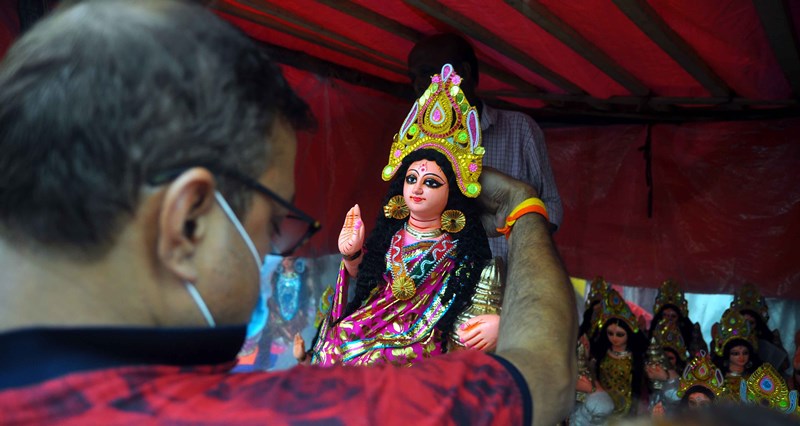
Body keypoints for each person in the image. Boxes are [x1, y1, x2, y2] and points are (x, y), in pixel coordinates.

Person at [0, 2, 577, 425]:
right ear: (188, 224)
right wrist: (518, 205)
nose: (272, 260)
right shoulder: (290, 412)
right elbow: (543, 377)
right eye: (271, 228)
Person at [295, 64, 502, 367]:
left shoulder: (457, 248)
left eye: (431, 182)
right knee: (335, 341)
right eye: (411, 179)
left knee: (369, 361)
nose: (418, 188)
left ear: (452, 193)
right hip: (373, 321)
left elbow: (465, 302)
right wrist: (351, 254)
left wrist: (499, 323)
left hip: (419, 335)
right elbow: (369, 278)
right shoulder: (392, 233)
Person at [407, 33, 563, 262]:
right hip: (442, 286)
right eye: (413, 76)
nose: (418, 84)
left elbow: (552, 207)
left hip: (510, 287)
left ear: (464, 73)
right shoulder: (417, 139)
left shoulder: (520, 129)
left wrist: (518, 234)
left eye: (426, 72)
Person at [588, 289, 648, 417]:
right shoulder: (601, 355)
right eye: (610, 333)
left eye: (620, 334)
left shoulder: (634, 359)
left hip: (626, 411)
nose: (614, 338)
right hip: (601, 408)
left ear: (629, 334)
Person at [711, 309, 763, 401]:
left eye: (745, 353)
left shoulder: (756, 380)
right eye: (735, 353)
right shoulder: (717, 379)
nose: (741, 357)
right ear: (727, 355)